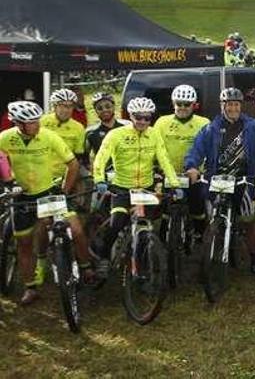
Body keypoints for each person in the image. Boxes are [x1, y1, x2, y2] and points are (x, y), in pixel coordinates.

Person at [0, 101, 93, 305]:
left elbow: (73, 163)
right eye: (31, 123)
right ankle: (30, 287)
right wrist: (8, 183)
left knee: (76, 229)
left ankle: (86, 267)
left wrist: (64, 190)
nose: (37, 125)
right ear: (18, 124)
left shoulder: (49, 136)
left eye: (37, 121)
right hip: (21, 197)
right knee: (24, 244)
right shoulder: (5, 138)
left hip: (48, 192)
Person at [184, 88, 255, 275]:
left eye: (236, 104)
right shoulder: (210, 129)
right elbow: (196, 150)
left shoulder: (252, 126)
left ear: (241, 106)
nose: (232, 108)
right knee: (212, 219)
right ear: (222, 106)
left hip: (243, 181)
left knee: (248, 221)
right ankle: (209, 255)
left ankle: (254, 260)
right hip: (216, 180)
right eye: (228, 104)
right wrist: (192, 166)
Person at [92, 98, 182, 277]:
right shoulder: (116, 134)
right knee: (117, 221)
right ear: (130, 116)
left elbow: (164, 159)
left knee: (146, 226)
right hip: (122, 189)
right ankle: (103, 257)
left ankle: (142, 262)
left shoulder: (154, 134)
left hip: (145, 189)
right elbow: (100, 159)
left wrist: (174, 183)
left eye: (147, 118)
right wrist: (99, 180)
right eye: (137, 117)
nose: (142, 121)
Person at [153, 85, 211, 239]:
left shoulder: (204, 123)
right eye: (179, 103)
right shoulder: (162, 122)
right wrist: (156, 168)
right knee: (166, 209)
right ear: (173, 104)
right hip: (169, 173)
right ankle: (165, 235)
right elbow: (154, 147)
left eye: (187, 104)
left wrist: (201, 170)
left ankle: (199, 234)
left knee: (197, 207)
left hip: (194, 173)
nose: (183, 107)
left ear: (194, 105)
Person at [41, 89, 86, 178]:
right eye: (62, 106)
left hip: (64, 176)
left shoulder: (78, 128)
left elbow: (78, 156)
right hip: (41, 174)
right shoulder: (41, 122)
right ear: (54, 106)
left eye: (70, 106)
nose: (66, 110)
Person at [83, 93, 129, 172]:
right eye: (100, 108)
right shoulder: (90, 132)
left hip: (127, 172)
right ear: (95, 111)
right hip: (104, 174)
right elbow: (84, 158)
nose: (104, 110)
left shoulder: (127, 126)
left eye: (108, 106)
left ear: (114, 106)